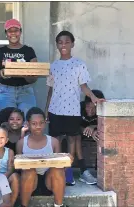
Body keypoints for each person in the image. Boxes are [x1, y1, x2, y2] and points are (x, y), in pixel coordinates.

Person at [45, 31, 105, 185]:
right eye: (60, 42)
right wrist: (46, 111)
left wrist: (94, 98)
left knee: (72, 139)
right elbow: (50, 90)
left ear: (72, 44)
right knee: (56, 141)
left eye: (66, 42)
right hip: (55, 110)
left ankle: (67, 171)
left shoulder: (79, 64)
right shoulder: (53, 66)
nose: (63, 45)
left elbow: (84, 86)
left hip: (72, 110)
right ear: (57, 45)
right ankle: (57, 171)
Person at [16, 107, 69, 207]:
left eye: (41, 123)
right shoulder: (21, 143)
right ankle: (24, 205)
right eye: (34, 123)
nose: (38, 126)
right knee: (29, 170)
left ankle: (59, 205)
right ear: (28, 124)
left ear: (45, 123)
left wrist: (67, 160)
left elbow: (61, 166)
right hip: (29, 184)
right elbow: (19, 168)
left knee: (57, 169)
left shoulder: (53, 142)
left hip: (49, 182)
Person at [0, 18, 38, 116]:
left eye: (16, 30)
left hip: (25, 92)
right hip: (5, 92)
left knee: (26, 123)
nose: (13, 34)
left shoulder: (29, 51)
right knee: (8, 122)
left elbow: (34, 77)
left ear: (20, 32)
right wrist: (1, 73)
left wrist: (24, 74)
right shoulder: (1, 51)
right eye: (10, 31)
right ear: (6, 33)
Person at [0, 127, 19, 206]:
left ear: (6, 140)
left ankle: (10, 204)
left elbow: (10, 169)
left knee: (15, 176)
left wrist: (2, 178)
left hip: (5, 178)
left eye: (2, 137)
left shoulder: (9, 152)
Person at [80, 89, 105, 173]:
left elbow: (106, 125)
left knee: (102, 136)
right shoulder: (79, 107)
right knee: (73, 136)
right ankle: (82, 169)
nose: (90, 110)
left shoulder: (103, 110)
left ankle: (99, 169)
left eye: (93, 108)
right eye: (88, 106)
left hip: (95, 133)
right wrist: (86, 130)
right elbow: (74, 127)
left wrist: (93, 127)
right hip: (80, 133)